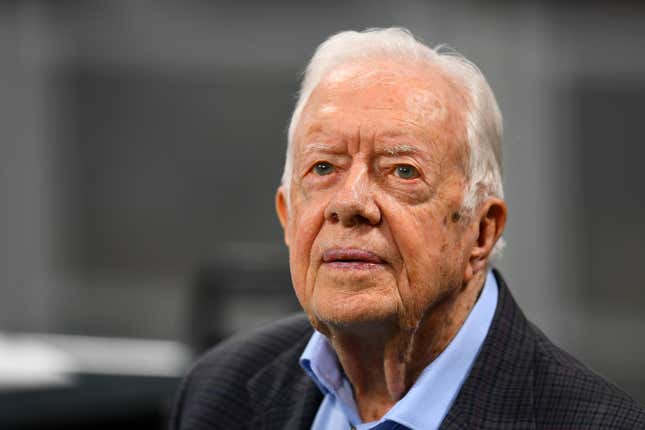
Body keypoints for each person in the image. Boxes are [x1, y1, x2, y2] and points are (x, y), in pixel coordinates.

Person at [171, 28, 645, 429]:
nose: (350, 204)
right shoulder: (218, 393)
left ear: (481, 232)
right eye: (322, 168)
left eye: (402, 171)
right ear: (288, 219)